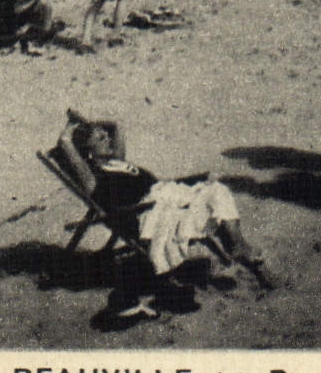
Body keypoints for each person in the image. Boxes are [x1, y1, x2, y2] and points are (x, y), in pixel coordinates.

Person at [57, 111, 277, 324]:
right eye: (100, 139)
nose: (108, 139)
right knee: (211, 201)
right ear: (88, 152)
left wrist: (89, 123)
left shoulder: (117, 162)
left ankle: (238, 245)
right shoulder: (93, 178)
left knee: (216, 191)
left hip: (166, 196)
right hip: (149, 213)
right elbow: (65, 142)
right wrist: (70, 129)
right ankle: (243, 252)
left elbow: (117, 125)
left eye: (106, 136)